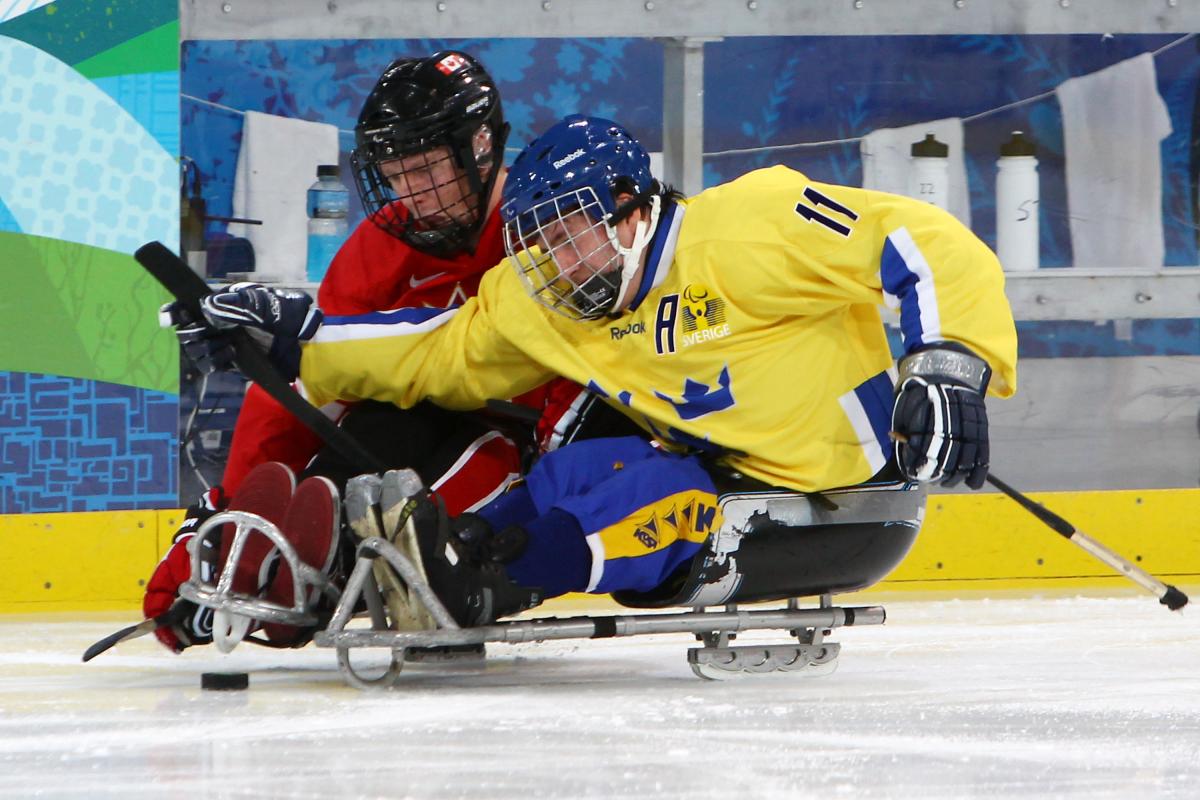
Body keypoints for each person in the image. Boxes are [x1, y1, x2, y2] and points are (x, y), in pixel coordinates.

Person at [180, 114, 1018, 629]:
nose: (550, 259)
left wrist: (946, 366)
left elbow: (924, 240)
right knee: (577, 466)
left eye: (567, 231)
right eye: (534, 239)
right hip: (722, 479)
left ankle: (484, 581)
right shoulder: (547, 297)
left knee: (650, 497)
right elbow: (436, 348)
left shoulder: (749, 226)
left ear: (634, 209)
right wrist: (293, 334)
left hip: (845, 501)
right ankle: (456, 554)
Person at [145, 56, 628, 652]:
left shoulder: (549, 227)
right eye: (397, 174)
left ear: (480, 146)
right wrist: (228, 504)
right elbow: (313, 384)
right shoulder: (376, 250)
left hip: (523, 443)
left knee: (463, 461)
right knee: (373, 436)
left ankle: (326, 574)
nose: (411, 193)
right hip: (413, 420)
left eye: (425, 170)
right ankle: (259, 563)